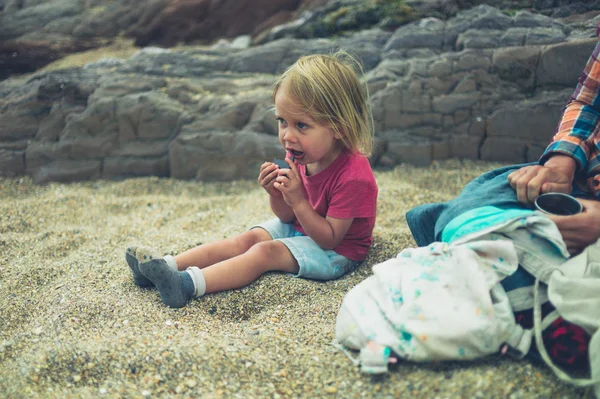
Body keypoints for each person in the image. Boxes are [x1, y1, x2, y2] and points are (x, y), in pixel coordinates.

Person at [406, 37, 600, 375]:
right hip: (585, 176)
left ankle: (532, 311)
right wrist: (561, 161)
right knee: (474, 202)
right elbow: (588, 102)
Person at [124, 52, 379, 309]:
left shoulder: (353, 176)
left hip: (339, 252)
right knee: (248, 239)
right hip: (304, 226)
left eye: (301, 125)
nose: (288, 136)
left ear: (339, 127)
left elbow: (330, 239)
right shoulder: (301, 154)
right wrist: (276, 194)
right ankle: (163, 268)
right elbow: (286, 217)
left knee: (264, 253)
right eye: (282, 122)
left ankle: (186, 285)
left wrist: (299, 200)